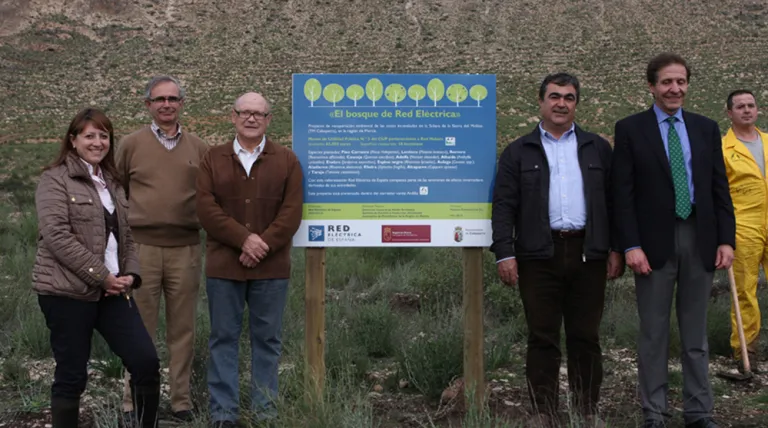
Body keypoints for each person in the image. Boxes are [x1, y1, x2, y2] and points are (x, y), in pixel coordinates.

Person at [491, 73, 623, 428]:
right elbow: (503, 205)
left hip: (588, 253)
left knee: (586, 336)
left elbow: (613, 202)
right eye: (554, 96)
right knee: (542, 336)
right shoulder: (519, 150)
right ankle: (543, 412)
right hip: (537, 254)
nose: (561, 103)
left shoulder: (598, 148)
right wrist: (505, 252)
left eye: (569, 97)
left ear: (576, 103)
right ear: (541, 101)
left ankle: (585, 410)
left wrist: (615, 248)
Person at [611, 53, 735, 428]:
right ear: (651, 86)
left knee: (695, 334)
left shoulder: (705, 128)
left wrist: (726, 240)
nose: (674, 89)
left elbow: (719, 188)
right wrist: (630, 245)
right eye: (666, 82)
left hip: (701, 239)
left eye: (680, 82)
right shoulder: (631, 128)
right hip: (652, 246)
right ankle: (654, 412)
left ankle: (699, 412)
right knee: (653, 334)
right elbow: (623, 194)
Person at [33, 108, 160, 428]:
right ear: (73, 140)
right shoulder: (54, 179)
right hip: (66, 293)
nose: (98, 142)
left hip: (113, 291)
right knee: (72, 373)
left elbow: (126, 236)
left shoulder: (113, 183)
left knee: (145, 360)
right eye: (89, 135)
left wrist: (130, 274)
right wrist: (101, 277)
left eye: (104, 135)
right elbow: (56, 236)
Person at [196, 92, 303, 427]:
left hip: (271, 269)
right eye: (245, 112)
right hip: (223, 268)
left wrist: (262, 244)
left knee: (267, 341)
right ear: (233, 117)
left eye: (259, 113)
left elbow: (291, 213)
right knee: (223, 339)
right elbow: (206, 209)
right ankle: (223, 413)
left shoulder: (287, 160)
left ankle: (265, 410)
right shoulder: (212, 159)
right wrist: (244, 239)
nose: (252, 118)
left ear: (269, 119)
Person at [115, 75, 209, 423]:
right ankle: (132, 401)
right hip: (141, 250)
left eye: (173, 98)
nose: (166, 105)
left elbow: (207, 194)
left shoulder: (199, 147)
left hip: (185, 248)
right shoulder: (130, 144)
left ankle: (180, 401)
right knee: (138, 329)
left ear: (182, 103)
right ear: (148, 105)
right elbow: (118, 189)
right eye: (159, 99)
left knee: (183, 329)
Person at [722, 89, 767, 371]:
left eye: (751, 105)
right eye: (740, 107)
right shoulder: (723, 149)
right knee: (745, 291)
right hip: (744, 225)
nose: (747, 110)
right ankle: (744, 352)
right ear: (730, 113)